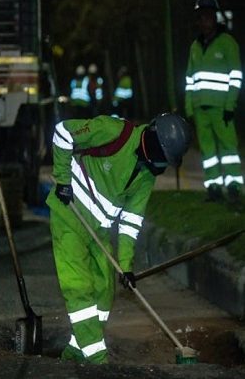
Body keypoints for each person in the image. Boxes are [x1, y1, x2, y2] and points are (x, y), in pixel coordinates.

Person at [47, 113, 191, 364]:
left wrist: (126, 266)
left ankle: (76, 350)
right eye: (162, 157)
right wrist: (62, 179)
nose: (161, 165)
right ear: (153, 140)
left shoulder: (147, 176)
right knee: (78, 287)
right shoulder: (114, 131)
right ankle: (97, 359)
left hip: (99, 230)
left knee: (104, 291)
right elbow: (62, 132)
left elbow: (130, 222)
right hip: (69, 214)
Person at [185, 0, 243, 203]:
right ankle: (214, 188)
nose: (204, 20)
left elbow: (236, 76)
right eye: (200, 16)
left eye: (207, 16)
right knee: (208, 151)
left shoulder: (227, 43)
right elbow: (190, 79)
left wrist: (230, 105)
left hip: (221, 108)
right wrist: (189, 108)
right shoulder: (195, 46)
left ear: (214, 17)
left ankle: (234, 187)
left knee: (228, 147)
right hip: (201, 109)